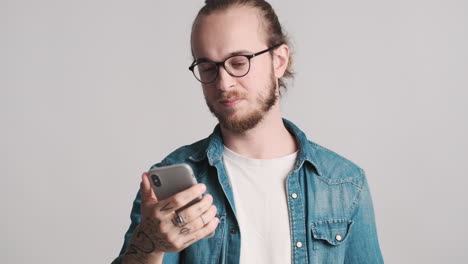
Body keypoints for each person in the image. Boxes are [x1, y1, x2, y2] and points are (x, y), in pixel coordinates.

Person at [112, 0, 384, 263]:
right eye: (207, 67)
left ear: (279, 60)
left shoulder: (344, 183)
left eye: (239, 62)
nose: (223, 82)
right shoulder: (172, 176)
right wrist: (149, 246)